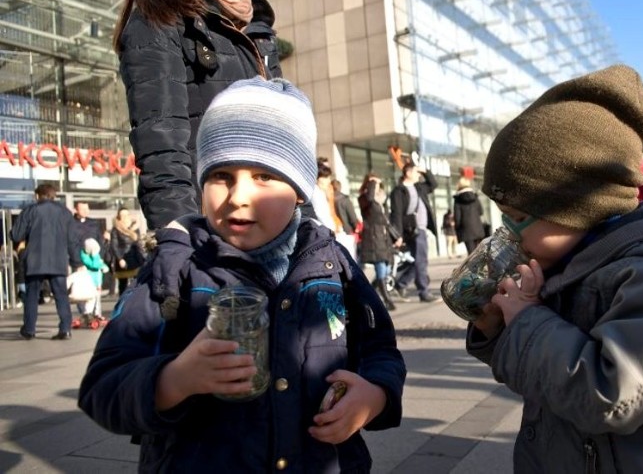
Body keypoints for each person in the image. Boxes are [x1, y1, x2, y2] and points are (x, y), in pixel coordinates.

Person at [78, 77, 405, 472]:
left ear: (300, 190)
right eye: (221, 176)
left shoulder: (332, 262)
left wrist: (376, 396)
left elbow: (381, 349)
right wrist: (174, 379)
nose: (238, 196)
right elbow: (102, 386)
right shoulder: (176, 266)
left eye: (264, 176)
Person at [466, 65, 643, 472]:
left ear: (581, 208)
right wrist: (500, 329)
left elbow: (612, 396)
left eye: (518, 215)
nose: (509, 231)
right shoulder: (574, 261)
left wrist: (527, 320)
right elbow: (550, 377)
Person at [115, 0, 282, 230]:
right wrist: (181, 239)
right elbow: (162, 148)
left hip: (268, 226)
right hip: (213, 231)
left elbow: (282, 141)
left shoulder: (258, 32)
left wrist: (306, 226)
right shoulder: (158, 21)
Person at [12, 184, 83, 340]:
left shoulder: (30, 211)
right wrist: (77, 262)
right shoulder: (65, 213)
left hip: (35, 260)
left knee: (31, 295)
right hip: (58, 260)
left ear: (38, 195)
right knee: (61, 295)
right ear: (53, 196)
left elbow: (16, 235)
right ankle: (65, 329)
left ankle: (29, 329)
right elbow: (73, 240)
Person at [389, 162, 439, 302]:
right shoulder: (398, 191)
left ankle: (401, 284)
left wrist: (424, 170)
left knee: (416, 261)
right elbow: (396, 214)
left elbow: (433, 184)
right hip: (411, 230)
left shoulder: (419, 187)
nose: (418, 175)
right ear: (408, 173)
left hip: (421, 228)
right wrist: (397, 235)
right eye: (416, 172)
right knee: (421, 261)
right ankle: (423, 292)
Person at [357, 173, 398, 310]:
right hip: (373, 238)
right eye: (373, 183)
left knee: (386, 269)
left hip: (384, 238)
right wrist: (373, 183)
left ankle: (368, 296)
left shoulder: (381, 199)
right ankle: (387, 300)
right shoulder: (365, 199)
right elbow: (369, 198)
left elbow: (386, 221)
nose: (376, 185)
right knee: (380, 267)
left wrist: (396, 236)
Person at [110, 208, 145, 295]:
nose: (126, 217)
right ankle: (122, 304)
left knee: (138, 282)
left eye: (127, 214)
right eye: (123, 215)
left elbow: (138, 243)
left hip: (136, 258)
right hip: (123, 259)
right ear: (119, 217)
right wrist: (120, 259)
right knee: (123, 285)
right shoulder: (116, 229)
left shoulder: (135, 228)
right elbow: (114, 246)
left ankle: (136, 302)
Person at [76, 238, 109, 325]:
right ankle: (87, 314)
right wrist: (95, 257)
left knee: (97, 299)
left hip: (98, 280)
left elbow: (99, 263)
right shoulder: (85, 256)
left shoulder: (96, 254)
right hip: (90, 281)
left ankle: (97, 314)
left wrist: (104, 266)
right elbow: (94, 265)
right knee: (90, 299)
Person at [452, 177, 486, 255]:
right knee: (480, 252)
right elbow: (481, 212)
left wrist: (457, 228)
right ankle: (483, 266)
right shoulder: (475, 197)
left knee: (471, 254)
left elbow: (457, 217)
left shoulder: (457, 199)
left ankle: (475, 267)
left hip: (466, 230)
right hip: (478, 228)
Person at [333, 178, 360, 258]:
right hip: (347, 231)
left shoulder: (329, 199)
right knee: (350, 258)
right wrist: (356, 227)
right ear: (340, 187)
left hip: (335, 231)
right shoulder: (345, 200)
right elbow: (352, 217)